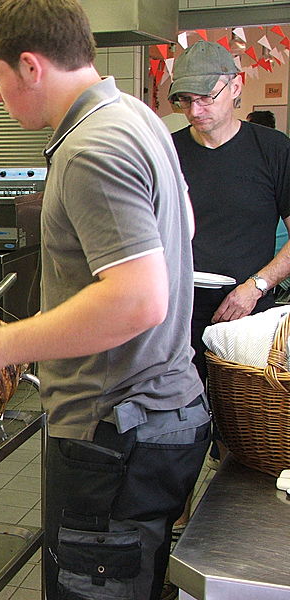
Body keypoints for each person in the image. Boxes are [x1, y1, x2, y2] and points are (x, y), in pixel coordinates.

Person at [0, 2, 210, 599]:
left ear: (31, 66)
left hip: (116, 432)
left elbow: (138, 300)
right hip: (160, 413)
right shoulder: (136, 116)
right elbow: (183, 227)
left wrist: (0, 346)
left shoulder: (91, 147)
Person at [168, 40, 290, 538]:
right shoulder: (169, 152)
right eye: (185, 100)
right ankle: (174, 525)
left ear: (236, 86)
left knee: (240, 427)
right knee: (173, 425)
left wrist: (256, 285)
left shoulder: (272, 150)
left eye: (207, 97)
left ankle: (230, 533)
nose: (196, 111)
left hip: (245, 313)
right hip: (175, 311)